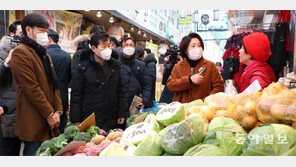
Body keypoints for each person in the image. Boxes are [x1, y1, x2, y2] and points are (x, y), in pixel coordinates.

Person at [10, 13, 63, 156]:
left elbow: (54, 84)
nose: (45, 34)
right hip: (33, 118)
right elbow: (31, 88)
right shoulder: (20, 53)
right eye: (41, 30)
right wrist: (49, 113)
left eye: (46, 31)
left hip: (50, 117)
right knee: (34, 153)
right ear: (28, 30)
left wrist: (57, 111)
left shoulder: (44, 53)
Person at [70, 31, 128, 131]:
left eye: (109, 45)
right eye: (104, 46)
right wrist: (75, 120)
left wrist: (122, 113)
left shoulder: (115, 66)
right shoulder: (83, 67)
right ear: (93, 48)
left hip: (111, 117)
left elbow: (120, 91)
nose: (108, 49)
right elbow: (76, 95)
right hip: (90, 118)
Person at [167, 32, 224, 102]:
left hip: (202, 109)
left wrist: (206, 101)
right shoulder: (178, 67)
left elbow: (219, 86)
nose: (197, 48)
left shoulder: (210, 66)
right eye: (193, 46)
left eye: (199, 45)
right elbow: (171, 85)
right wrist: (189, 80)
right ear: (185, 50)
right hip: (182, 109)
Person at [0, 20, 22, 156]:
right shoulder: (2, 55)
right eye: (20, 34)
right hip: (6, 113)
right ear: (11, 34)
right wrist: (7, 62)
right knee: (7, 151)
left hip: (21, 113)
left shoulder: (24, 53)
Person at [47, 29, 71, 133]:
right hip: (63, 95)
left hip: (47, 96)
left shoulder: (44, 55)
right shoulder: (67, 56)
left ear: (49, 39)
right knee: (60, 129)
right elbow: (70, 77)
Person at [119, 37, 151, 111]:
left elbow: (147, 84)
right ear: (121, 49)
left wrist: (144, 100)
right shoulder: (116, 64)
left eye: (131, 45)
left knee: (133, 121)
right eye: (126, 45)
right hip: (119, 104)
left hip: (135, 103)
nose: (128, 47)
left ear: (134, 48)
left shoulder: (141, 65)